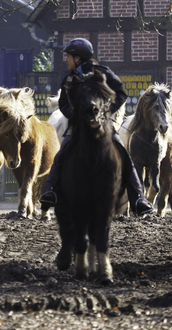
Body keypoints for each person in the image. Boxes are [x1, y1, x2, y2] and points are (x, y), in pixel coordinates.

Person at [40, 38, 154, 215]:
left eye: (68, 56)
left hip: (103, 124)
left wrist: (106, 113)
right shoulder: (69, 78)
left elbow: (121, 94)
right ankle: (50, 192)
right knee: (62, 154)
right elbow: (63, 103)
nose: (66, 60)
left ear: (78, 58)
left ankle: (138, 199)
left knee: (124, 156)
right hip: (79, 126)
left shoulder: (104, 73)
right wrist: (75, 116)